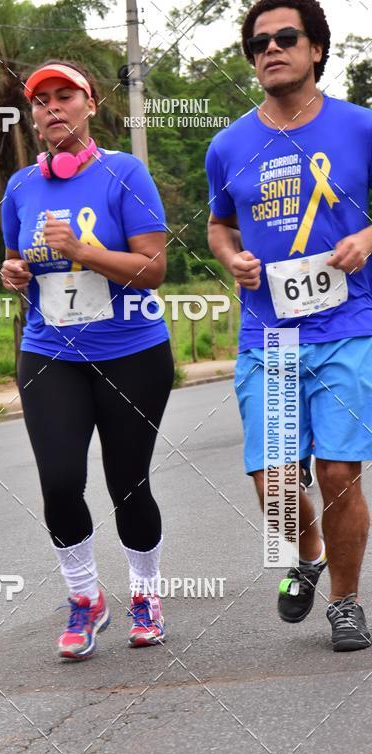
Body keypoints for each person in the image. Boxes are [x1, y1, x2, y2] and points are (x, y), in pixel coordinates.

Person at [206, 0, 372, 651]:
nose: (271, 49)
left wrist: (367, 238)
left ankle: (345, 603)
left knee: (337, 474)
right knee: (273, 484)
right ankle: (309, 552)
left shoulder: (360, 126)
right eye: (259, 43)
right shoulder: (228, 146)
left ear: (316, 49)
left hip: (347, 326)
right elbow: (219, 225)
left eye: (285, 37)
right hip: (269, 335)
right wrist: (231, 257)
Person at [0, 60, 174, 660]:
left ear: (91, 104)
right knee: (58, 481)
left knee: (128, 484)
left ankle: (145, 594)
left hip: (133, 353)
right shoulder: (21, 187)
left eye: (65, 95)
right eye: (40, 99)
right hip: (50, 352)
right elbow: (18, 264)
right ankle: (85, 599)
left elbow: (153, 269)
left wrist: (84, 249)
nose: (52, 107)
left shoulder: (125, 173)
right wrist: (14, 273)